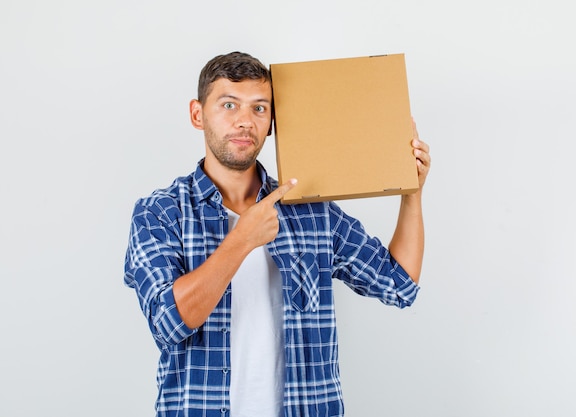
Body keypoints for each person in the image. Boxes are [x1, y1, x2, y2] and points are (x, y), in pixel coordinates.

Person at [124, 51, 431, 417]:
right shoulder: (159, 213)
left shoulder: (311, 211)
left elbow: (400, 283)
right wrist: (242, 239)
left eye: (259, 108)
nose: (244, 122)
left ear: (272, 121)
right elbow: (167, 322)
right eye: (228, 105)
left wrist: (411, 192)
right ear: (197, 113)